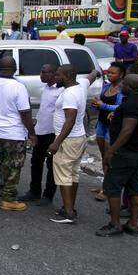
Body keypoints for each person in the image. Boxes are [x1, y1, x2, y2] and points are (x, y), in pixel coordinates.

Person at [98, 74, 138, 236]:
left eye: (125, 84)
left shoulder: (132, 104)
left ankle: (115, 224)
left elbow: (128, 129)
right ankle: (133, 224)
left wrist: (112, 150)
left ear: (131, 87)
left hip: (126, 151)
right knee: (134, 186)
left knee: (112, 186)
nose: (122, 85)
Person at [0, 56, 34, 210]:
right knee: (13, 167)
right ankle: (8, 200)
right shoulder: (19, 87)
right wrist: (32, 133)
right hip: (13, 135)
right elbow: (25, 112)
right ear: (15, 69)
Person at [48, 64, 94, 225]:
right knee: (73, 174)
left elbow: (70, 119)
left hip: (67, 140)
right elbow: (92, 76)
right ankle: (70, 207)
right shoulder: (80, 86)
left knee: (64, 176)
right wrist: (96, 72)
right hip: (78, 138)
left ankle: (68, 213)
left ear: (67, 76)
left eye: (58, 75)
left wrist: (57, 142)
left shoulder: (69, 94)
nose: (55, 78)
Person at [21, 62, 60, 205]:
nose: (41, 75)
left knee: (51, 164)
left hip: (52, 133)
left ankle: (48, 195)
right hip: (41, 131)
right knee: (36, 162)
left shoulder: (60, 91)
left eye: (45, 72)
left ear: (54, 74)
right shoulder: (46, 88)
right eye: (41, 72)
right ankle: (34, 191)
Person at [91, 62, 125, 201]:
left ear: (121, 75)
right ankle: (105, 184)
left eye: (113, 73)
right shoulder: (107, 86)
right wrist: (97, 104)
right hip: (102, 123)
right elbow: (101, 104)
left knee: (109, 157)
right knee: (104, 155)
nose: (109, 74)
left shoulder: (123, 89)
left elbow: (122, 107)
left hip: (113, 127)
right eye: (108, 72)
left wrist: (103, 105)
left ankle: (108, 189)